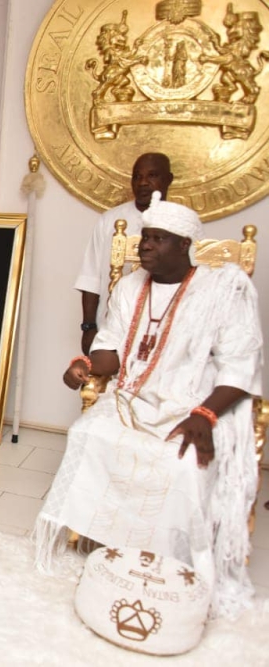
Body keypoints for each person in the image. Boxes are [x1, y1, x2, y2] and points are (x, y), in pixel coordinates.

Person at [36, 192, 262, 619]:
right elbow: (111, 352)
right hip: (132, 397)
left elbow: (240, 365)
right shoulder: (130, 285)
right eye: (145, 238)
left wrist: (206, 414)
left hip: (194, 401)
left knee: (181, 461)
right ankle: (103, 537)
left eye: (159, 239)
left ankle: (169, 559)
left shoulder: (222, 290)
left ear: (183, 245)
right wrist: (83, 364)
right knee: (88, 432)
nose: (146, 246)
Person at [75, 152, 176, 354]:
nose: (143, 183)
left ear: (168, 180)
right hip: (112, 330)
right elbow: (91, 278)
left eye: (152, 176)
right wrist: (88, 327)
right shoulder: (110, 220)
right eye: (137, 177)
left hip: (163, 332)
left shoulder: (180, 223)